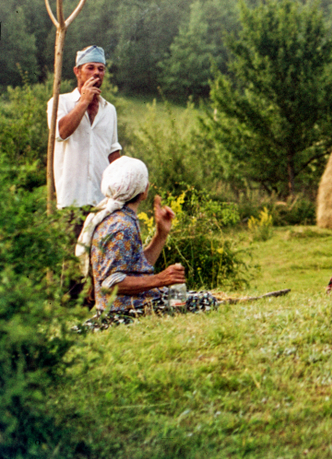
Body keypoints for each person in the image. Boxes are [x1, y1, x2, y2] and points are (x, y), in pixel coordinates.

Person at [75, 156, 217, 329]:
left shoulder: (119, 218)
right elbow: (111, 284)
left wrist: (161, 234)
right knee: (206, 300)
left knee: (192, 296)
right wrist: (160, 279)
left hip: (134, 302)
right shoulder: (121, 226)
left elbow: (136, 268)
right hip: (127, 310)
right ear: (143, 190)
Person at [47, 45, 122, 210]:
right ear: (77, 71)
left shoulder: (109, 110)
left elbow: (113, 153)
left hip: (102, 202)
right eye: (90, 67)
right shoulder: (59, 102)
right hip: (71, 201)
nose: (96, 72)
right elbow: (61, 133)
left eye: (101, 69)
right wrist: (84, 101)